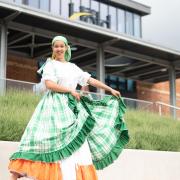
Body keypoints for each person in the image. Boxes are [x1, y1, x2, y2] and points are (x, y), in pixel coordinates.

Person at [8, 36, 129, 180]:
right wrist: (70, 90)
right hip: (53, 106)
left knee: (78, 145)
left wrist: (109, 89)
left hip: (72, 108)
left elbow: (89, 80)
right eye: (56, 46)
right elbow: (49, 84)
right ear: (53, 48)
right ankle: (14, 176)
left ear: (66, 48)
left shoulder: (72, 67)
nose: (59, 49)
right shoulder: (50, 64)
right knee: (40, 139)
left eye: (61, 46)